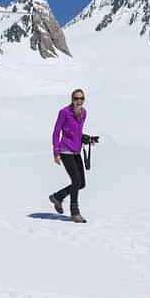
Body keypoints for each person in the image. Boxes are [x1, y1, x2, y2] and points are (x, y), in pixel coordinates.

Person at [48, 89, 92, 223]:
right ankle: (74, 213)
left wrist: (86, 139)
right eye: (76, 98)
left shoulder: (83, 113)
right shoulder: (64, 112)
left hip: (76, 151)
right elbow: (56, 132)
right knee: (76, 181)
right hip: (65, 150)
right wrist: (56, 152)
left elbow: (77, 132)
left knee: (81, 183)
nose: (79, 101)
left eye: (81, 98)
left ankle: (57, 196)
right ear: (72, 99)